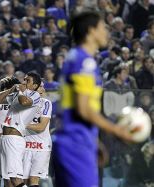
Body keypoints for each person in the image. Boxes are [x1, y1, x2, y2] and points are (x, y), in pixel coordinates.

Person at [52, 11, 134, 187]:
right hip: (76, 143)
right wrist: (116, 130)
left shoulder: (77, 58)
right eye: (103, 28)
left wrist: (95, 141)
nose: (106, 32)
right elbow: (84, 109)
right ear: (91, 31)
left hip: (74, 141)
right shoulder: (83, 61)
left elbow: (76, 107)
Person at [0, 72, 42, 187]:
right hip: (3, 139)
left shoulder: (35, 95)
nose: (24, 82)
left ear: (35, 86)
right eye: (24, 79)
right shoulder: (17, 94)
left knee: (15, 179)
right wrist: (11, 89)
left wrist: (20, 91)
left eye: (28, 81)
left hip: (14, 139)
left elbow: (25, 102)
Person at [23, 81, 53, 187]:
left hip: (42, 146)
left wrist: (21, 124)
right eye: (40, 87)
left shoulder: (46, 103)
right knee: (23, 181)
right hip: (25, 145)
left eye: (43, 87)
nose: (43, 90)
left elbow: (41, 127)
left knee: (34, 180)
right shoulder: (23, 104)